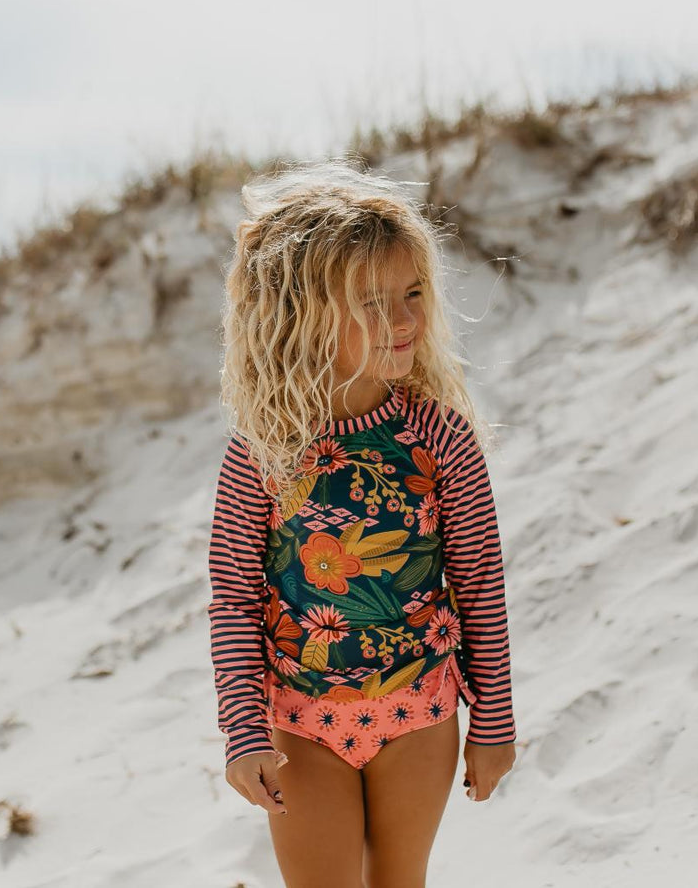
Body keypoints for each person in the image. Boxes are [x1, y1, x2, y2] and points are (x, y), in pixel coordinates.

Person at [205, 156, 517, 887]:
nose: (404, 319)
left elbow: (477, 581)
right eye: (371, 303)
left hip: (421, 711)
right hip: (301, 725)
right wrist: (242, 730)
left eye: (412, 293)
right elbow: (233, 598)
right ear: (301, 315)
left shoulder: (438, 436)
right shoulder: (262, 452)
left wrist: (494, 721)